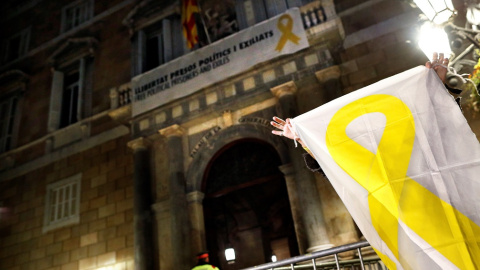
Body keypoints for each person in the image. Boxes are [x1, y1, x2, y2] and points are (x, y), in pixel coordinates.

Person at [270, 52, 461, 172]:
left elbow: (437, 125)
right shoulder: (364, 162)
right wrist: (302, 138)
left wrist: (437, 86)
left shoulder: (412, 138)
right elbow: (334, 165)